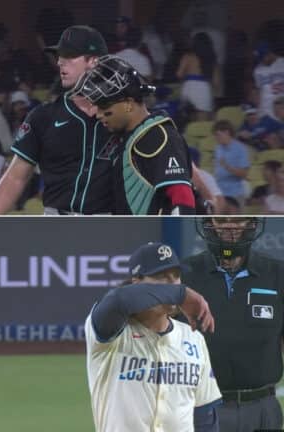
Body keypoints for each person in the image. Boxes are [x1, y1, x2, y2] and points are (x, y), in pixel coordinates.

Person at [85, 241, 221, 432]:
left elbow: (205, 416)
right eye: (161, 277)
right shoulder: (111, 333)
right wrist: (181, 293)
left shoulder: (193, 338)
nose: (172, 284)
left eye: (176, 277)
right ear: (136, 281)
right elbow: (118, 299)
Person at [0, 25, 115, 215]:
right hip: (56, 224)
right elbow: (15, 177)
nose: (60, 62)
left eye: (69, 56)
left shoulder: (122, 114)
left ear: (93, 61)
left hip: (110, 225)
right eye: (60, 56)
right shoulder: (43, 117)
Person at [182, 217, 284, 432]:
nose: (230, 227)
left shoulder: (277, 273)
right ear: (209, 221)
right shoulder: (184, 274)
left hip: (263, 408)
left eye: (238, 221)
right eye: (221, 220)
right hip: (202, 407)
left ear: (252, 223)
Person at [71, 55, 196, 214]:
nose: (98, 114)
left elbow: (181, 197)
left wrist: (177, 237)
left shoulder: (158, 136)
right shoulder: (124, 138)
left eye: (103, 105)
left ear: (129, 104)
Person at [176, 32, 221, 121]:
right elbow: (216, 83)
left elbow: (179, 74)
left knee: (187, 119)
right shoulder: (211, 59)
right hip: (204, 89)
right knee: (202, 122)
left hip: (189, 87)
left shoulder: (188, 56)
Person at [212, 120, 250, 205]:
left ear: (227, 132)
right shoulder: (217, 148)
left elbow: (244, 174)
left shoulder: (241, 149)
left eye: (218, 135)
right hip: (219, 193)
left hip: (235, 194)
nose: (216, 138)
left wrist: (227, 167)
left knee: (236, 218)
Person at [252, 42, 284, 118]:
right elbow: (258, 91)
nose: (261, 61)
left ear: (269, 54)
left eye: (263, 57)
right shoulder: (258, 70)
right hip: (265, 112)